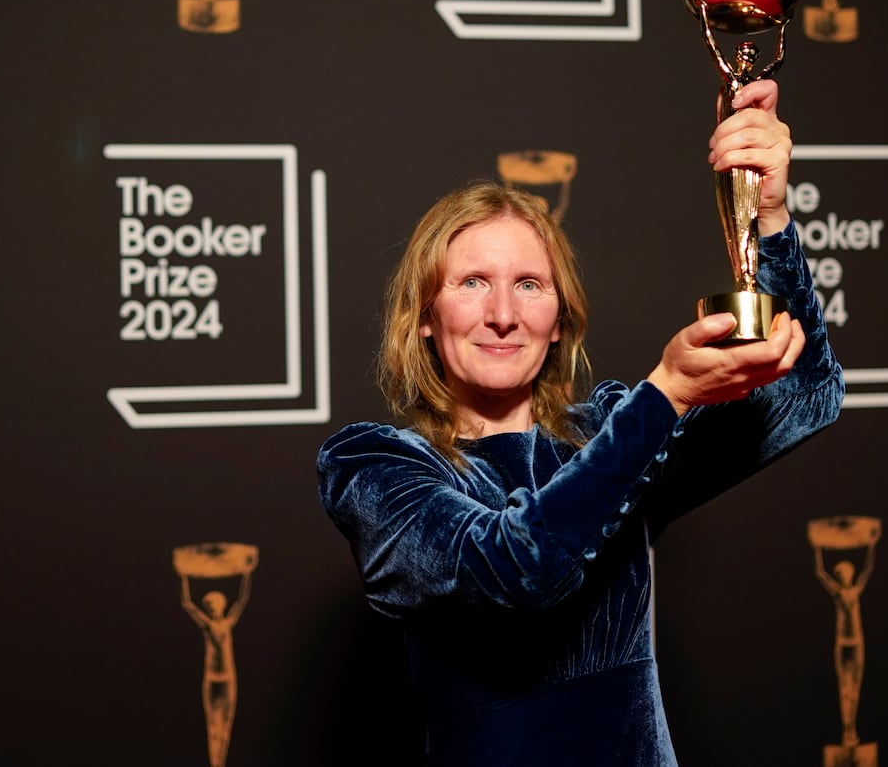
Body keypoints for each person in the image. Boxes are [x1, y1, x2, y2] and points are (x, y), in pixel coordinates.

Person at [316, 79, 845, 766]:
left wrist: (766, 214)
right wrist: (666, 394)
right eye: (471, 281)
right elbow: (517, 568)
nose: (502, 312)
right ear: (423, 315)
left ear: (559, 317)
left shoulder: (607, 431)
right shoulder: (374, 467)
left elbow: (806, 394)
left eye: (529, 284)